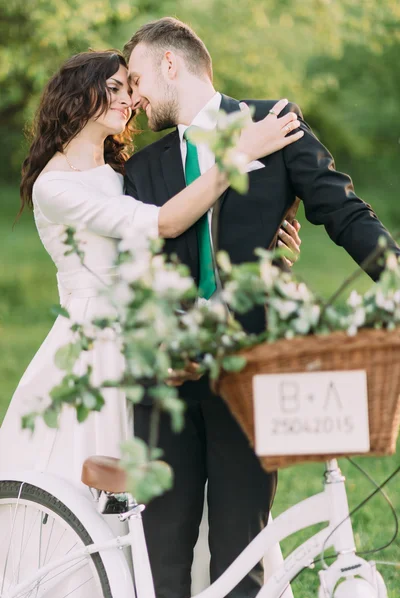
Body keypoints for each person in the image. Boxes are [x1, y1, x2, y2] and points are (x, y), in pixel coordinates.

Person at [122, 16, 400, 598]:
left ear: (170, 64)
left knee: (241, 551)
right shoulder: (142, 169)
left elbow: (345, 213)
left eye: (139, 77)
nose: (135, 94)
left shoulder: (273, 124)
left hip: (250, 375)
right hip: (164, 381)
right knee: (161, 553)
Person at [0, 51, 301, 514]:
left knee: (179, 484)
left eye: (131, 88)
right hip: (97, 340)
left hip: (156, 329)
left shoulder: (128, 172)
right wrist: (238, 155)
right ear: (78, 95)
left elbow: (188, 233)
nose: (130, 99)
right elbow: (166, 223)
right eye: (116, 88)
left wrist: (265, 239)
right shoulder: (54, 186)